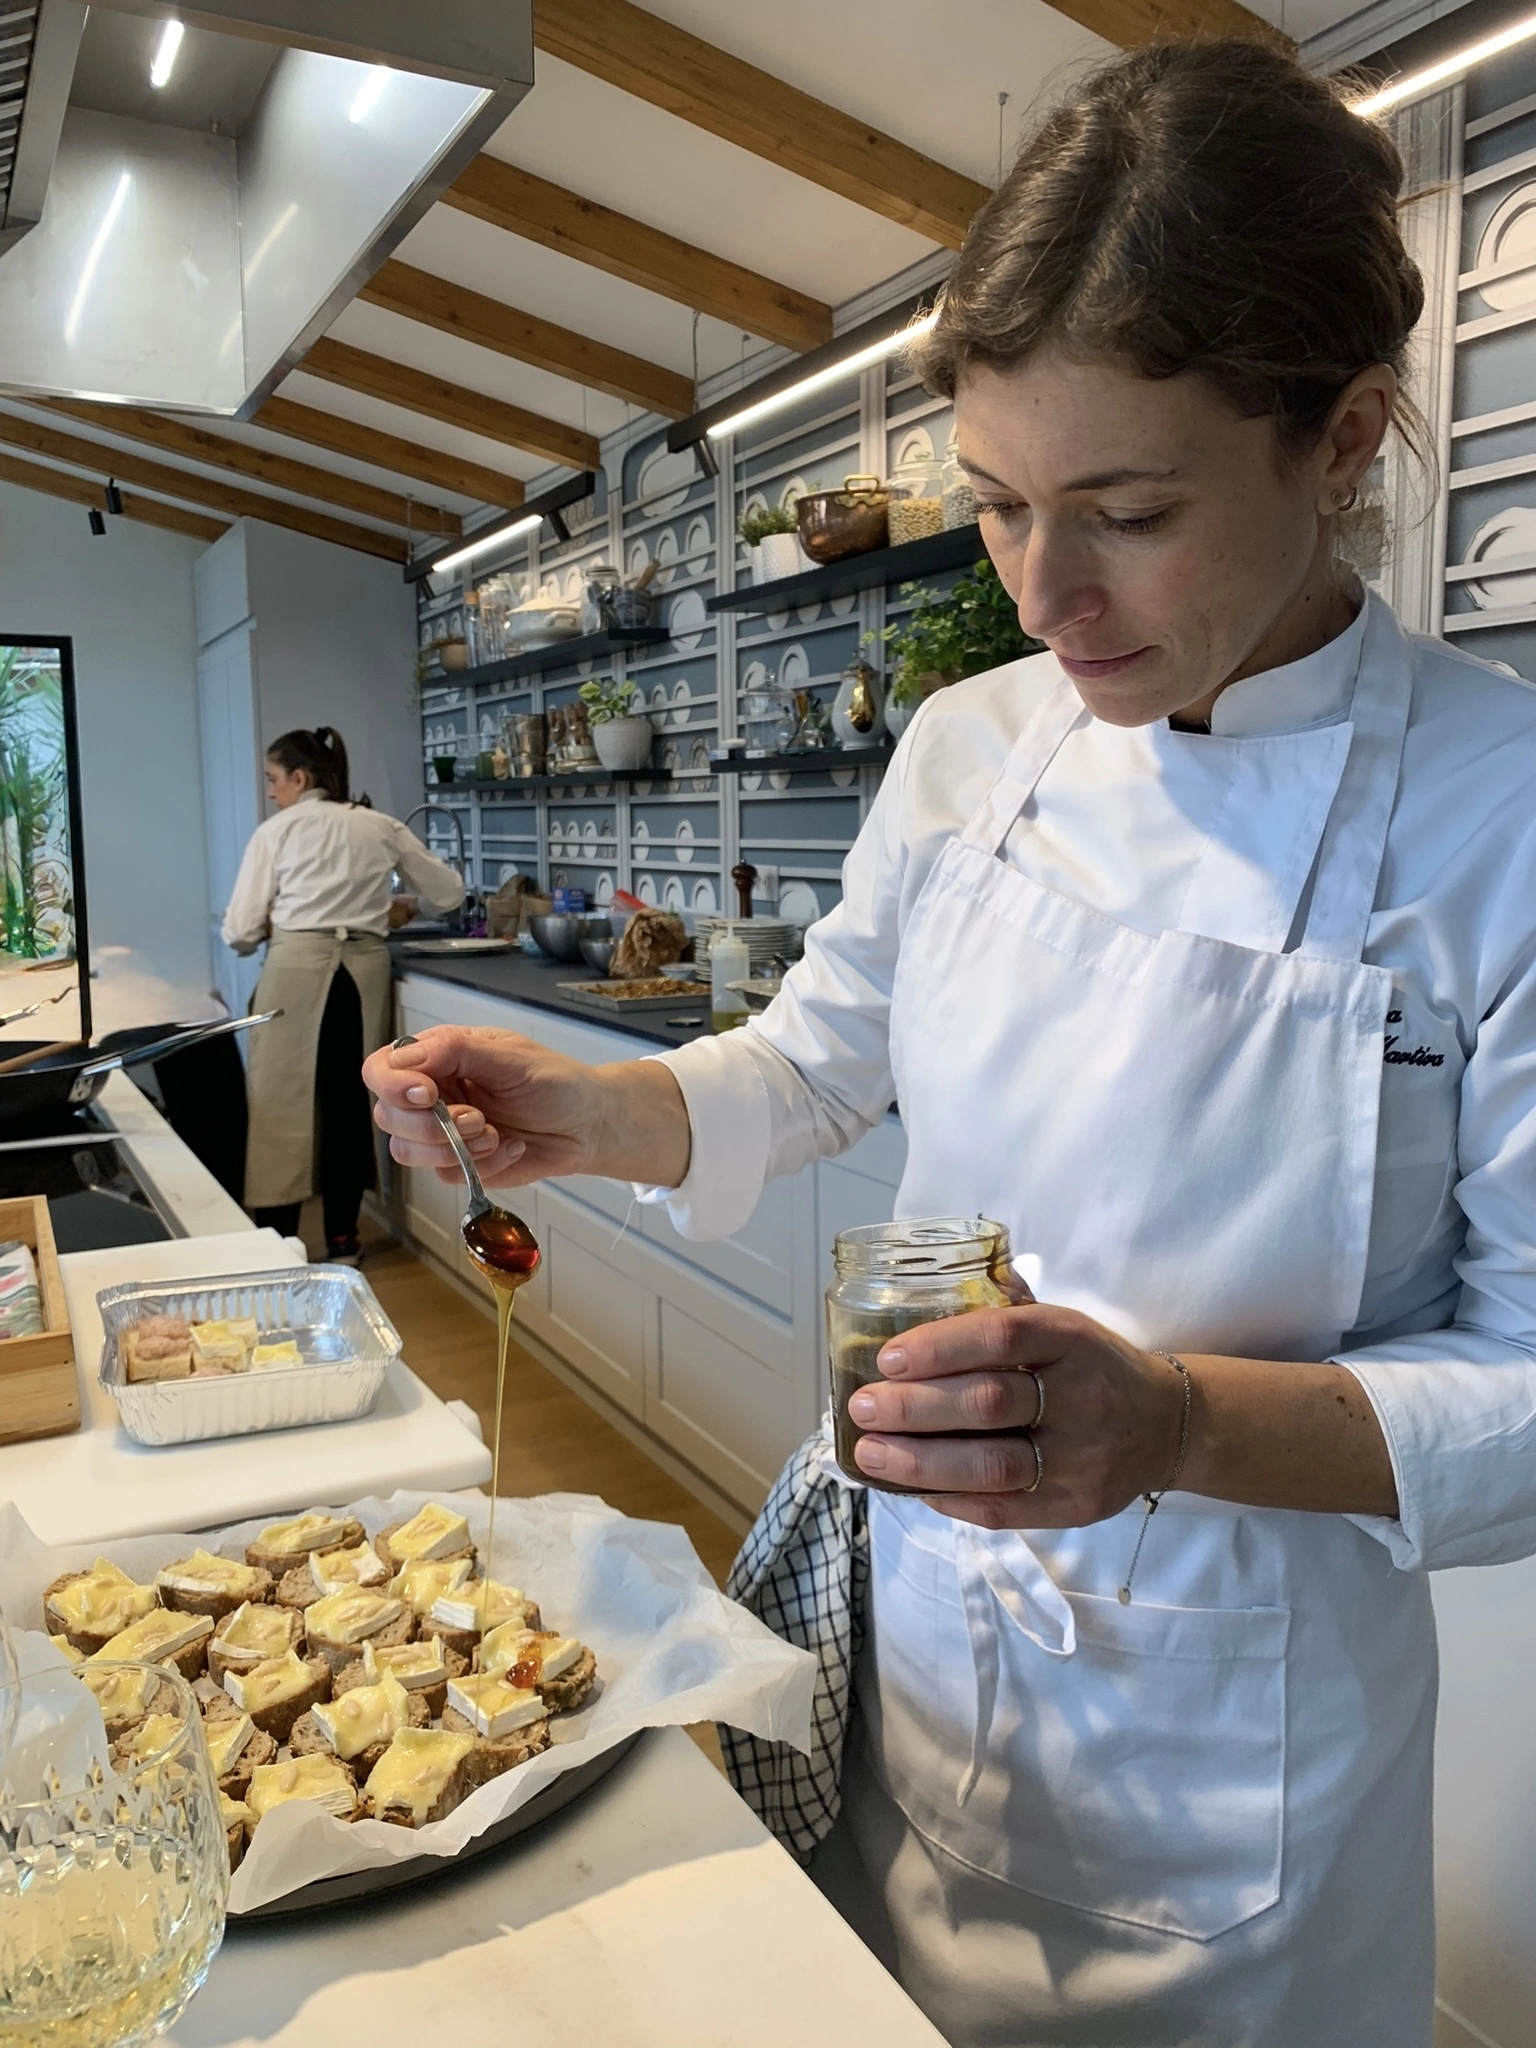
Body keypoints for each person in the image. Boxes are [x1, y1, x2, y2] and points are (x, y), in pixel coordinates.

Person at [364, 41, 1536, 2047]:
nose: (1049, 595)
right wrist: (592, 1104)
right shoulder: (972, 747)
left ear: (1342, 439)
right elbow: (819, 1061)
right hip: (929, 1641)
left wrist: (1170, 1422)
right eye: (997, 508)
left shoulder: (1496, 815)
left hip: (1237, 1754)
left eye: (1127, 510)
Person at [224, 726, 462, 1260]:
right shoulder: (379, 825)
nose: (270, 790)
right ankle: (343, 1238)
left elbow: (238, 930)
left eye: (273, 779)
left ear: (299, 778)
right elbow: (449, 893)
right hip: (363, 972)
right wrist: (390, 911)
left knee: (279, 1102)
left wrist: (274, 923)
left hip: (294, 969)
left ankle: (277, 1242)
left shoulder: (276, 831)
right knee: (354, 1100)